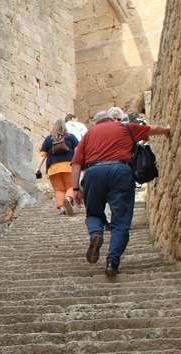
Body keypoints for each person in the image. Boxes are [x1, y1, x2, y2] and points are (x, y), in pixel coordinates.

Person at [71, 106, 171, 276]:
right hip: (121, 171)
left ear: (96, 122)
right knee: (121, 220)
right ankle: (112, 262)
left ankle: (96, 233)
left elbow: (76, 164)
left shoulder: (88, 135)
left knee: (94, 213)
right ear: (112, 119)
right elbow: (152, 129)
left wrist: (75, 189)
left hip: (94, 173)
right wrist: (167, 130)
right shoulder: (124, 127)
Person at [36, 118, 79, 215]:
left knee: (59, 189)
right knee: (71, 186)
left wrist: (37, 168)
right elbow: (78, 151)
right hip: (68, 167)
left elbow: (42, 155)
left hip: (53, 169)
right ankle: (68, 199)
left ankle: (62, 208)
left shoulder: (49, 139)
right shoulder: (71, 137)